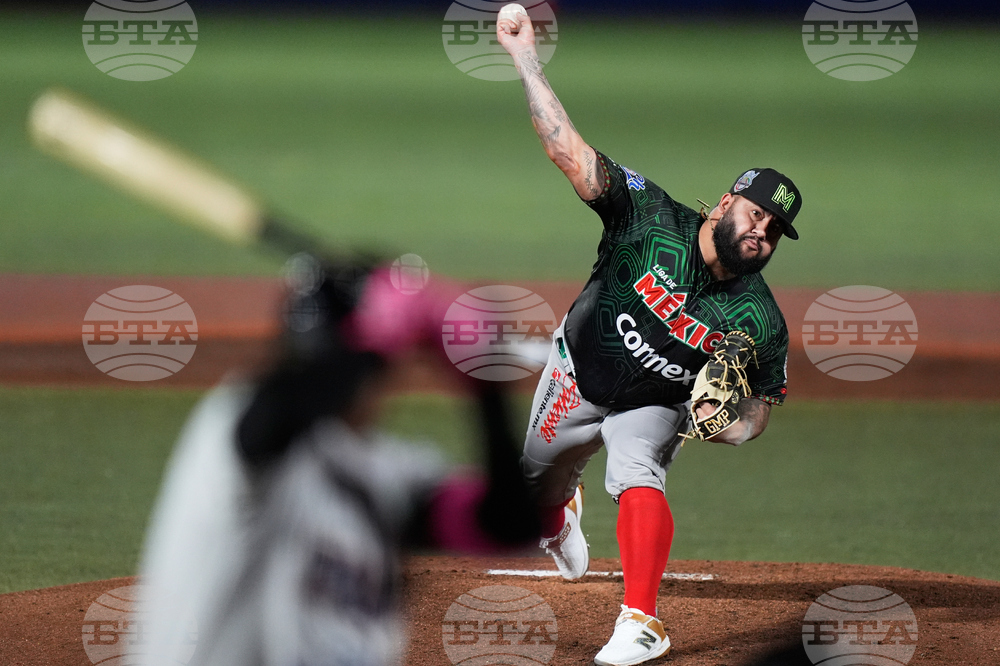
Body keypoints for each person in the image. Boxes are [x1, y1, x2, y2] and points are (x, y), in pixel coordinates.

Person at [496, 11, 803, 666]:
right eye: (756, 216)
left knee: (638, 470)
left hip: (657, 402)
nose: (762, 235)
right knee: (537, 489)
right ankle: (558, 515)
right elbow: (568, 152)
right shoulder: (647, 216)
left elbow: (759, 410)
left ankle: (642, 623)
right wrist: (526, 60)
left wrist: (729, 425)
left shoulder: (759, 320)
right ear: (723, 205)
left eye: (775, 231)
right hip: (579, 369)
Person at [136, 257, 540, 666]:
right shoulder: (237, 438)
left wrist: (486, 386)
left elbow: (511, 525)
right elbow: (279, 409)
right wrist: (379, 338)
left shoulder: (383, 475)